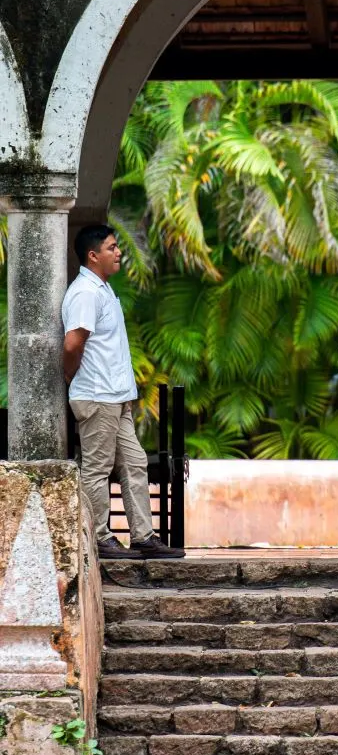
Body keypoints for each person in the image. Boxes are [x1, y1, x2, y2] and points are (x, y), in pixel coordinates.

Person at [62, 224, 185, 561]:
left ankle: (143, 536)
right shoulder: (85, 293)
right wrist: (71, 375)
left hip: (116, 397)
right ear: (93, 255)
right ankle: (99, 537)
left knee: (134, 463)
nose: (119, 253)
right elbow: (73, 343)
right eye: (112, 248)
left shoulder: (103, 289)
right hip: (97, 396)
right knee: (97, 468)